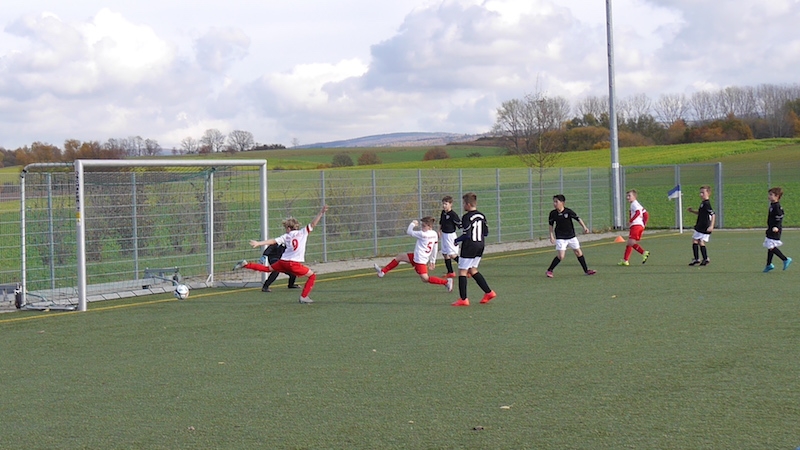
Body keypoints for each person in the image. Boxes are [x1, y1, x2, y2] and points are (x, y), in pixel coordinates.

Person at [233, 205, 328, 304]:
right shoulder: (303, 232)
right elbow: (313, 223)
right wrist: (321, 212)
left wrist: (259, 243)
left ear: (289, 228)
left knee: (267, 269)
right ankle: (304, 297)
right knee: (312, 276)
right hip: (293, 264)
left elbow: (272, 241)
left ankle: (246, 264)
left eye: (286, 228)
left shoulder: (286, 236)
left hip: (283, 262)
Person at [374, 217, 454, 293]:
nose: (422, 227)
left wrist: (413, 224)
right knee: (400, 257)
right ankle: (382, 272)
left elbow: (409, 231)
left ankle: (446, 282)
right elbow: (435, 247)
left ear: (429, 226)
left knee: (425, 279)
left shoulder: (422, 234)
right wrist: (433, 260)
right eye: (422, 225)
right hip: (418, 256)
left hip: (420, 260)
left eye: (424, 226)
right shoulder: (434, 234)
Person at [451, 192, 496, 306]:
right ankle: (489, 292)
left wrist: (456, 240)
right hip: (480, 245)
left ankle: (463, 299)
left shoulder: (466, 217)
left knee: (462, 271)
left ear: (468, 204)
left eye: (464, 204)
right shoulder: (482, 215)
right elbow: (486, 233)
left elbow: (467, 234)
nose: (463, 206)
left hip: (469, 246)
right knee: (473, 269)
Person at [546, 194, 596, 278]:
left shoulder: (568, 211)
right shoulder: (553, 213)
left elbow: (578, 218)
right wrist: (551, 236)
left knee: (578, 252)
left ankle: (586, 270)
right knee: (561, 256)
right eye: (554, 202)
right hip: (561, 237)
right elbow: (551, 225)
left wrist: (584, 227)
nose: (554, 204)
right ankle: (549, 270)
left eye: (556, 202)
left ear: (562, 202)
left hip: (571, 236)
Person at [762, 187, 792, 272]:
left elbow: (780, 217)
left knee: (771, 246)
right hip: (770, 228)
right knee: (770, 246)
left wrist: (776, 227)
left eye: (771, 195)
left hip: (775, 230)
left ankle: (785, 259)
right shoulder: (772, 205)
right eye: (769, 194)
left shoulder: (777, 206)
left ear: (777, 196)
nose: (769, 196)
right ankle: (768, 265)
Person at [618, 189, 651, 266]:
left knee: (631, 242)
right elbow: (646, 214)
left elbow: (638, 212)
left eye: (629, 196)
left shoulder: (634, 204)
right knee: (630, 243)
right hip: (639, 226)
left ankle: (643, 252)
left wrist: (631, 221)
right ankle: (625, 260)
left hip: (636, 226)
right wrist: (643, 224)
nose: (627, 197)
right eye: (627, 196)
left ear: (634, 197)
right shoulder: (638, 204)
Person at [687, 185, 714, 266]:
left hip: (704, 225)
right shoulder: (703, 203)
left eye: (703, 193)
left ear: (708, 193)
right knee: (698, 241)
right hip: (701, 225)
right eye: (700, 193)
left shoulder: (707, 203)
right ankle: (702, 258)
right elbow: (701, 213)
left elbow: (713, 214)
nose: (701, 194)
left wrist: (711, 226)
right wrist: (692, 211)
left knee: (697, 240)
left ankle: (699, 259)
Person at [439, 196, 461, 278]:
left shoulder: (453, 215)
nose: (444, 206)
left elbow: (459, 224)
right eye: (443, 204)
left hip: (450, 236)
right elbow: (441, 222)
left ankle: (468, 268)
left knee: (452, 255)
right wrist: (439, 230)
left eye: (446, 204)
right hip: (444, 235)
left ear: (451, 204)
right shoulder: (443, 212)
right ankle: (450, 272)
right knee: (445, 253)